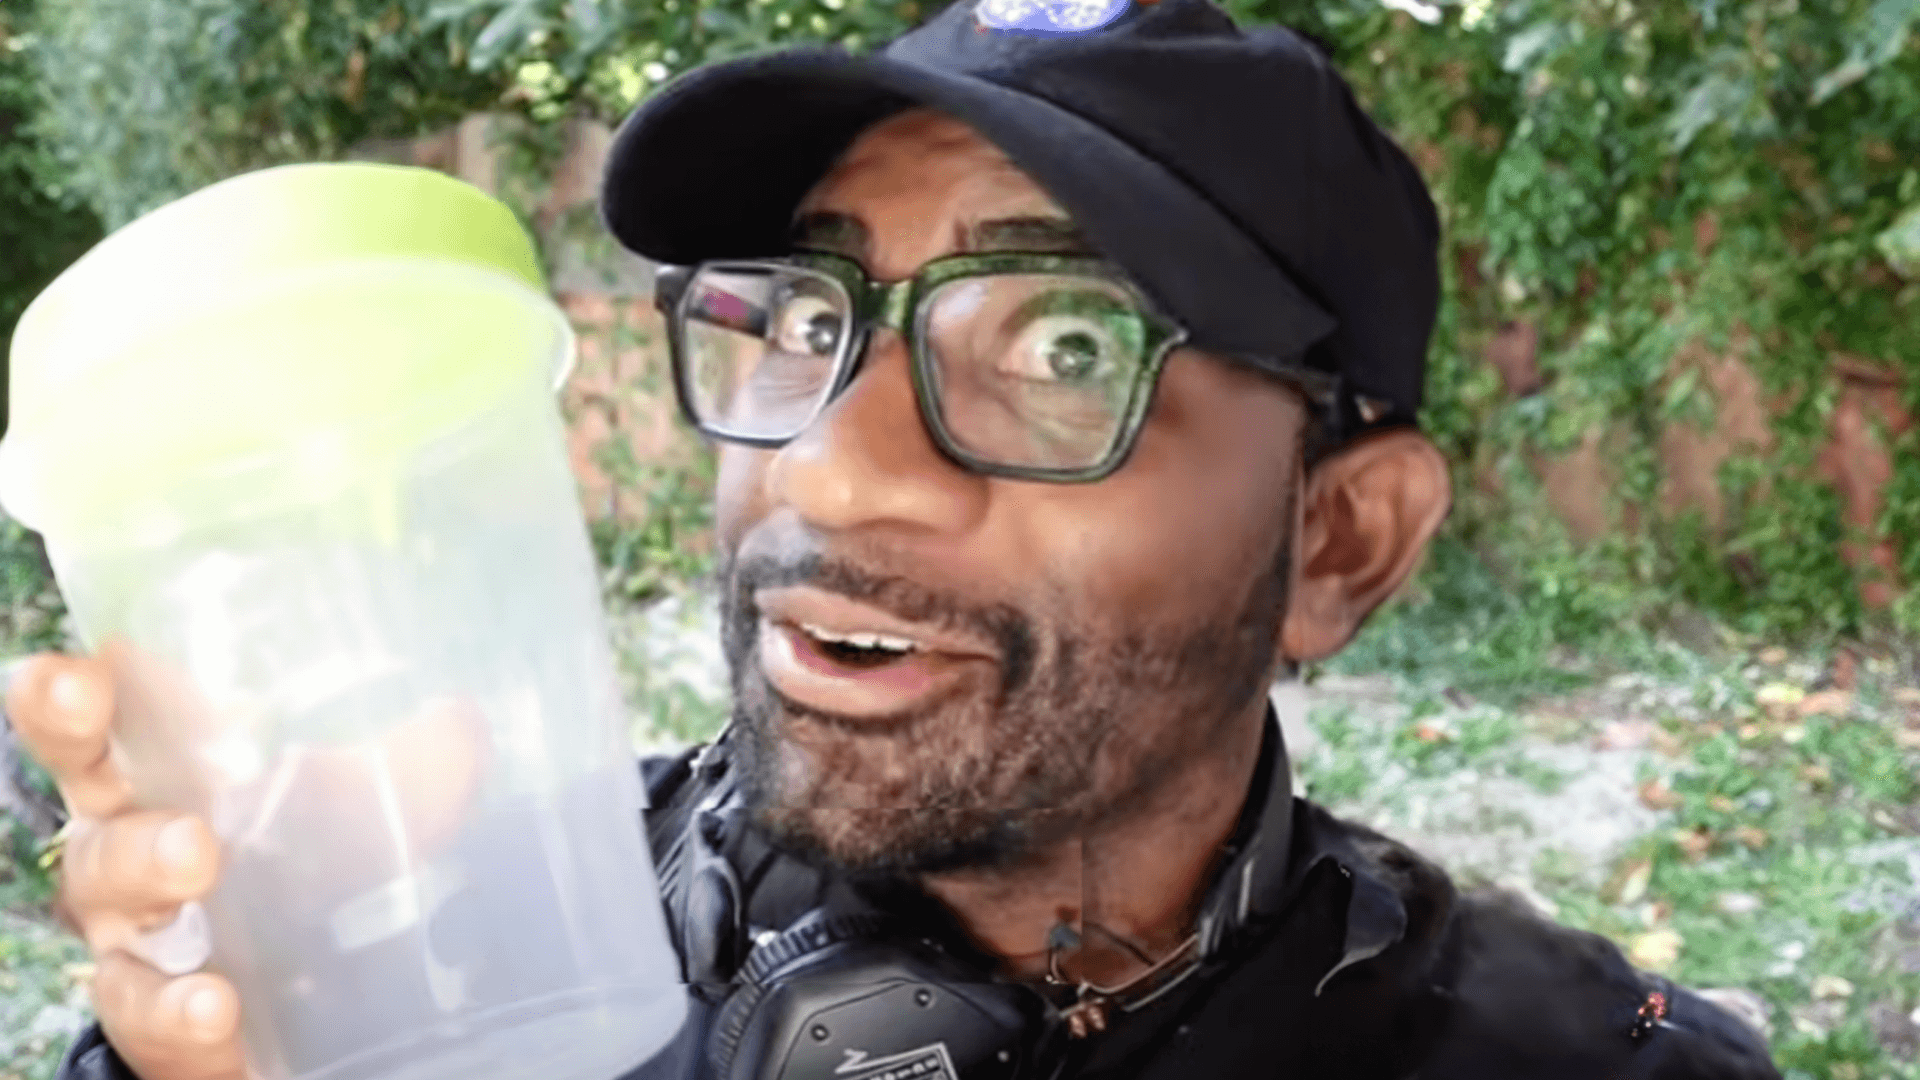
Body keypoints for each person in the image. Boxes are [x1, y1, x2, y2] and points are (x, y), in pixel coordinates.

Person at [11, 1, 1783, 1078]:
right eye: (803, 319)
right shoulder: (482, 929)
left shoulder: (1581, 1067)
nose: (836, 476)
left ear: (1342, 542)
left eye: (1067, 346)